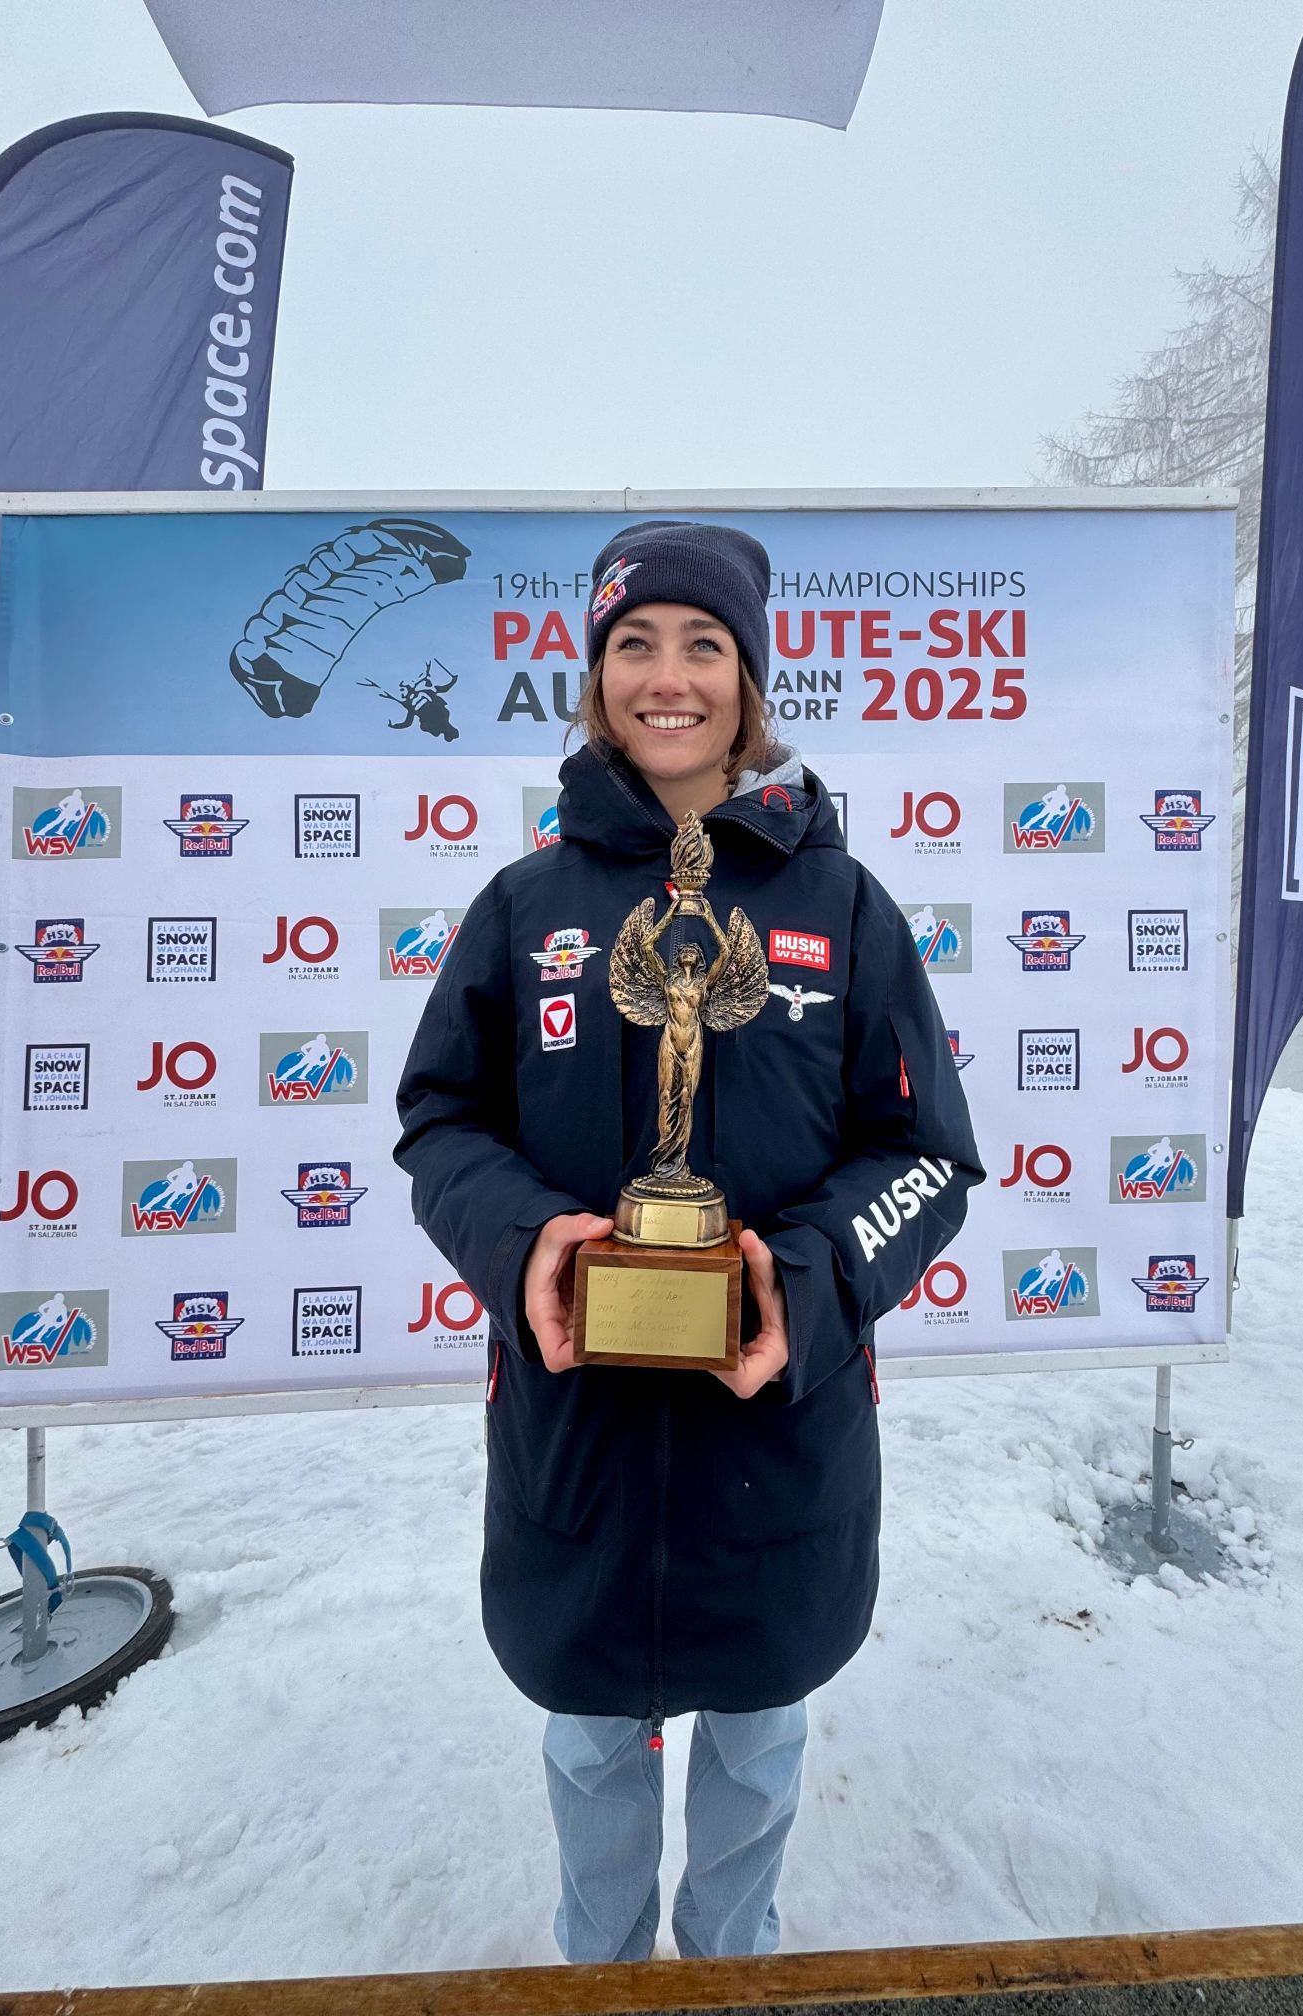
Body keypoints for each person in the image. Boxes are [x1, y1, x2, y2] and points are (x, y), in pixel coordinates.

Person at [394, 519, 985, 1964]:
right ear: (597, 678)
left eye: (703, 645)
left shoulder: (841, 904)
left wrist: (804, 1281)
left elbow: (928, 1155)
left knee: (760, 1738)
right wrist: (528, 1242)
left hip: (777, 1432)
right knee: (591, 1742)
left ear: (749, 678)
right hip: (578, 1436)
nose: (669, 677)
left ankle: (732, 1968)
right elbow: (440, 1120)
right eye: (635, 645)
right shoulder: (528, 902)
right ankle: (599, 1978)